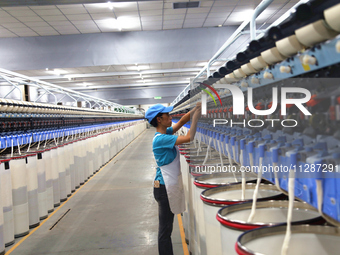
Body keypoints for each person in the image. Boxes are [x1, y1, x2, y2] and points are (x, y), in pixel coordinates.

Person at [145, 102, 201, 255]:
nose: (171, 117)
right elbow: (189, 137)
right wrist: (196, 116)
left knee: (167, 228)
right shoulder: (161, 139)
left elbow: (182, 122)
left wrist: (195, 109)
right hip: (163, 188)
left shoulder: (165, 133)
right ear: (159, 120)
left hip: (165, 186)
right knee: (165, 230)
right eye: (167, 116)